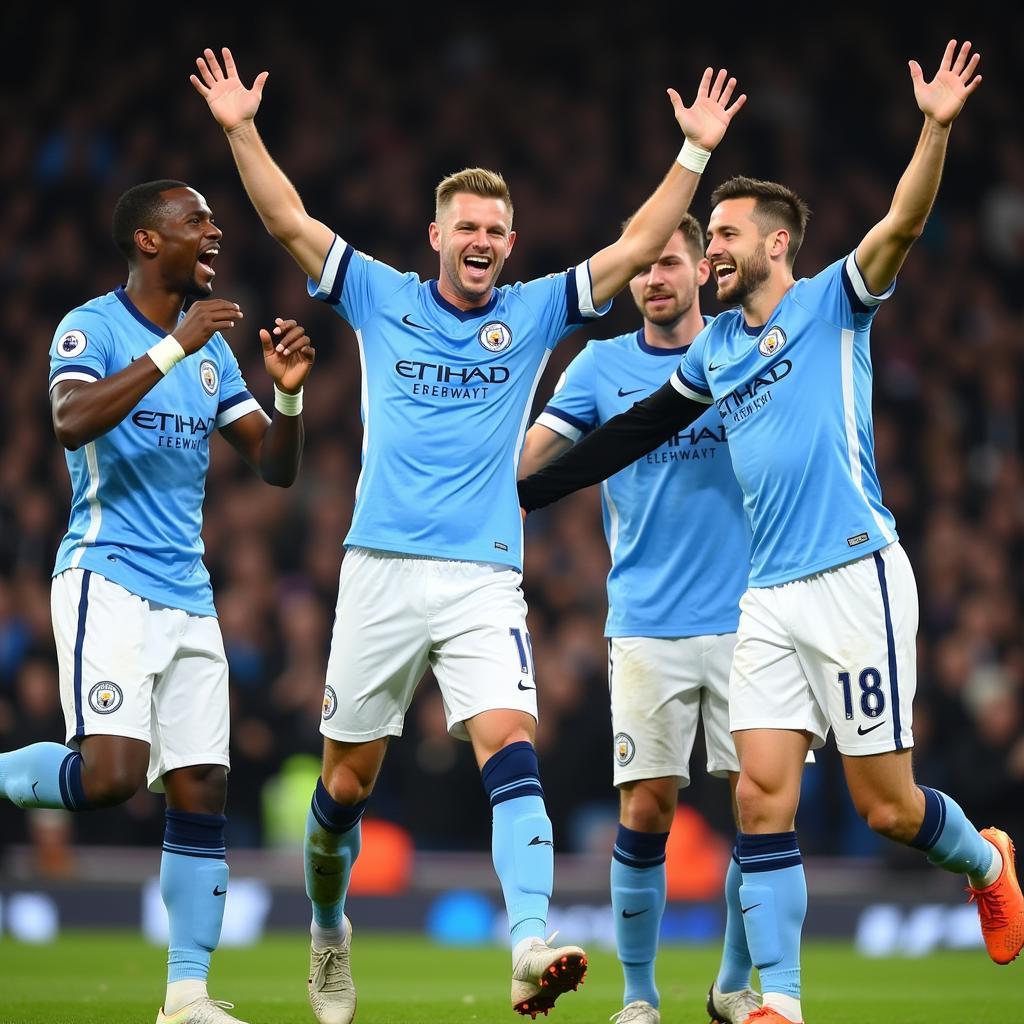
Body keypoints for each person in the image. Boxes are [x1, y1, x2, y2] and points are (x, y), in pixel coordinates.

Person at [190, 46, 745, 1023]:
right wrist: (240, 128)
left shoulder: (534, 314)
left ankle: (529, 942)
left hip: (484, 575)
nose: (483, 239)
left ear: (510, 240)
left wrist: (694, 154)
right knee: (344, 788)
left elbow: (631, 246)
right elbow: (285, 218)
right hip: (378, 575)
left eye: (497, 228)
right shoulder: (380, 295)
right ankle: (329, 925)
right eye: (468, 225)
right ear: (435, 233)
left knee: (509, 745)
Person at [517, 41, 1023, 1024]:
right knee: (758, 798)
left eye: (725, 235)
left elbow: (903, 222)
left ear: (777, 245)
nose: (709, 248)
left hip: (853, 576)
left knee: (887, 806)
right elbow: (634, 432)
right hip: (766, 598)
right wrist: (521, 497)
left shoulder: (834, 302)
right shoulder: (713, 348)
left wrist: (934, 126)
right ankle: (775, 1001)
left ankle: (984, 857)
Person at [0, 179, 315, 1024]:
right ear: (147, 241)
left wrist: (286, 393)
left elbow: (275, 466)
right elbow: (71, 420)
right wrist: (174, 348)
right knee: (109, 780)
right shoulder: (91, 327)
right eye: (196, 222)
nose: (215, 233)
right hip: (106, 577)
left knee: (201, 783)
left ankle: (187, 995)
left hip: (188, 593)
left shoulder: (212, 353)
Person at [518, 213, 758, 1024]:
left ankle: (731, 987)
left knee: (758, 804)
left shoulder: (739, 346)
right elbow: (533, 460)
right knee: (647, 805)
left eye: (669, 265)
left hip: (746, 617)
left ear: (700, 271)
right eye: (643, 269)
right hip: (646, 622)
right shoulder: (599, 365)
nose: (654, 279)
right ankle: (642, 997)